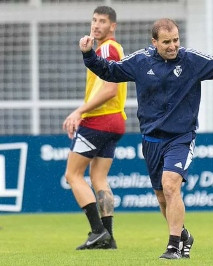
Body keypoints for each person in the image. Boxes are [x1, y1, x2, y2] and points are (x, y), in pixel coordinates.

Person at [78, 16, 213, 259]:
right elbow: (110, 71)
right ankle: (183, 234)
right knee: (162, 197)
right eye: (166, 42)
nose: (173, 46)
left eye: (176, 40)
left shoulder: (191, 60)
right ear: (154, 42)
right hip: (151, 140)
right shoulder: (141, 60)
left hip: (181, 137)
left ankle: (174, 246)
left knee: (171, 185)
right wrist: (89, 54)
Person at [63, 6, 127, 250]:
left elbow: (110, 89)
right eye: (94, 20)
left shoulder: (109, 48)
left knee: (72, 175)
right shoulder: (105, 49)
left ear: (113, 26)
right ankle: (108, 238)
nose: (96, 25)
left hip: (100, 119)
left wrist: (80, 111)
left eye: (103, 21)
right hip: (115, 121)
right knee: (98, 177)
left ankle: (97, 231)